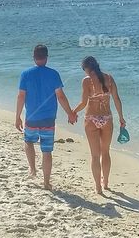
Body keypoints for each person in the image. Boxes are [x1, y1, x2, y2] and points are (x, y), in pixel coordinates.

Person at [15, 44, 77, 190]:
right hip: (49, 119)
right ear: (46, 58)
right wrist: (70, 113)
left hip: (32, 117)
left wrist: (17, 116)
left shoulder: (25, 74)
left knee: (28, 141)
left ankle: (32, 169)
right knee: (47, 151)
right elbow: (60, 96)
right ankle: (46, 182)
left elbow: (21, 96)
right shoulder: (54, 74)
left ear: (34, 57)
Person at [72, 56, 125, 195]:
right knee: (106, 152)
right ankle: (106, 183)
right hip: (107, 118)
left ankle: (98, 187)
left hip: (91, 119)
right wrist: (121, 118)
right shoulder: (109, 78)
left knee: (95, 156)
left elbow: (83, 103)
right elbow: (117, 100)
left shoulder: (86, 81)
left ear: (87, 69)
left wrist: (73, 112)